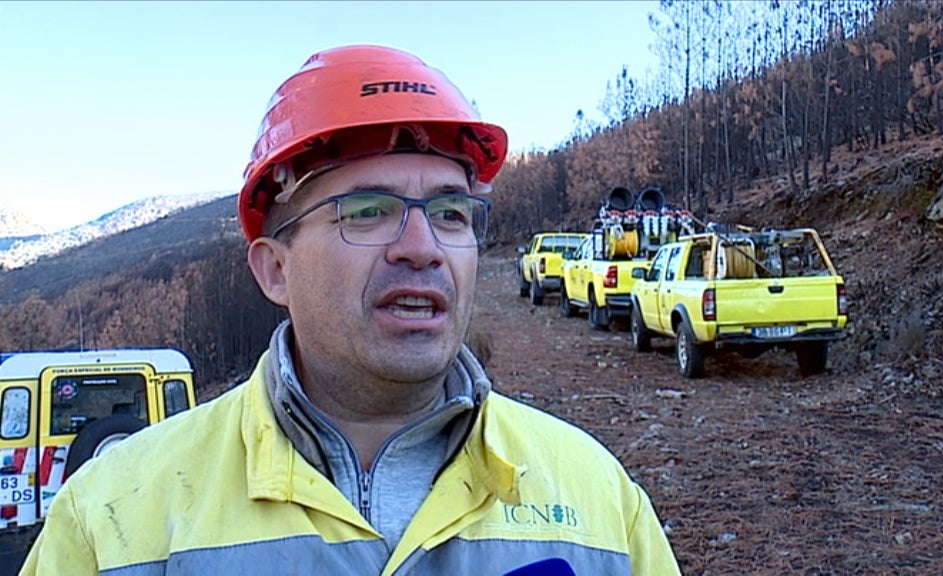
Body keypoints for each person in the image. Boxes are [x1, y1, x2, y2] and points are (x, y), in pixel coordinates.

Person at [21, 44, 681, 575]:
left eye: (451, 212)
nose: (422, 248)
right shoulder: (112, 522)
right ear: (275, 269)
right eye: (368, 211)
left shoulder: (598, 498)